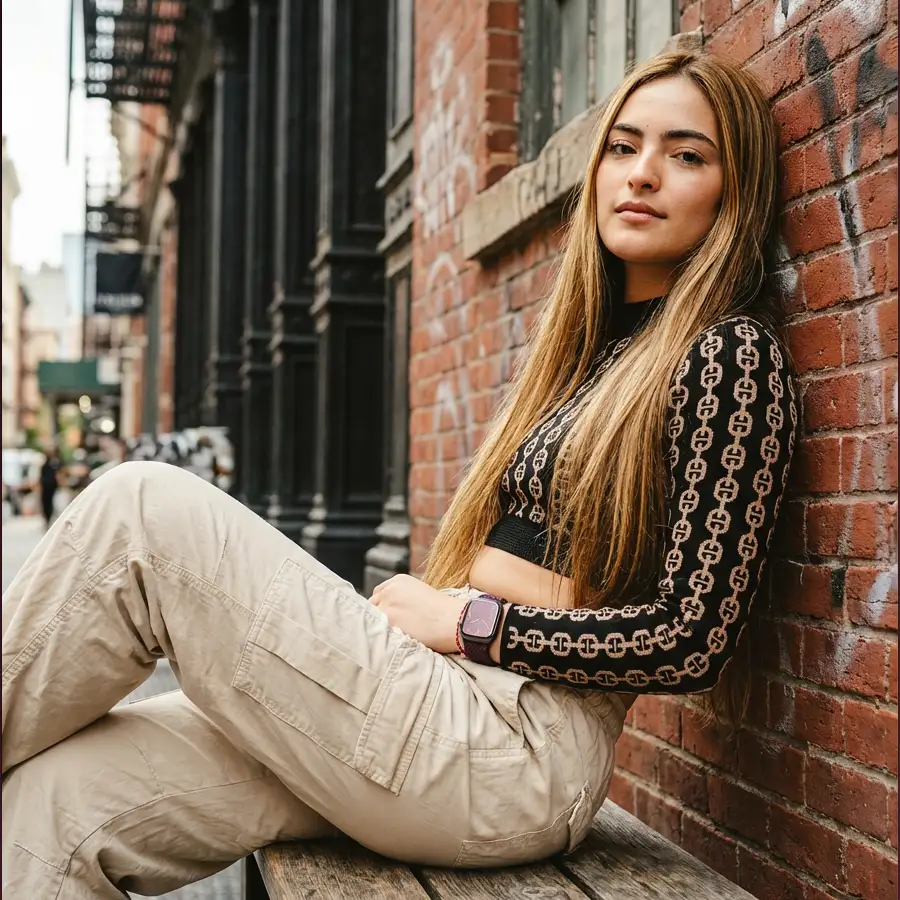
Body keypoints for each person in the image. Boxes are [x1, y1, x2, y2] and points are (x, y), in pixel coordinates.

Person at [2, 50, 796, 898]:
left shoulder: (728, 356)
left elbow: (691, 638)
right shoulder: (591, 353)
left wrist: (469, 622)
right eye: (623, 147)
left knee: (142, 511)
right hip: (444, 705)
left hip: (515, 749)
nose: (641, 174)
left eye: (686, 155)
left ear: (734, 190)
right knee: (57, 799)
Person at [37, 448, 61, 529]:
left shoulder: (53, 464)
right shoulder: (47, 465)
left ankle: (49, 520)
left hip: (50, 487)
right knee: (47, 504)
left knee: (49, 504)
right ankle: (48, 520)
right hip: (48, 487)